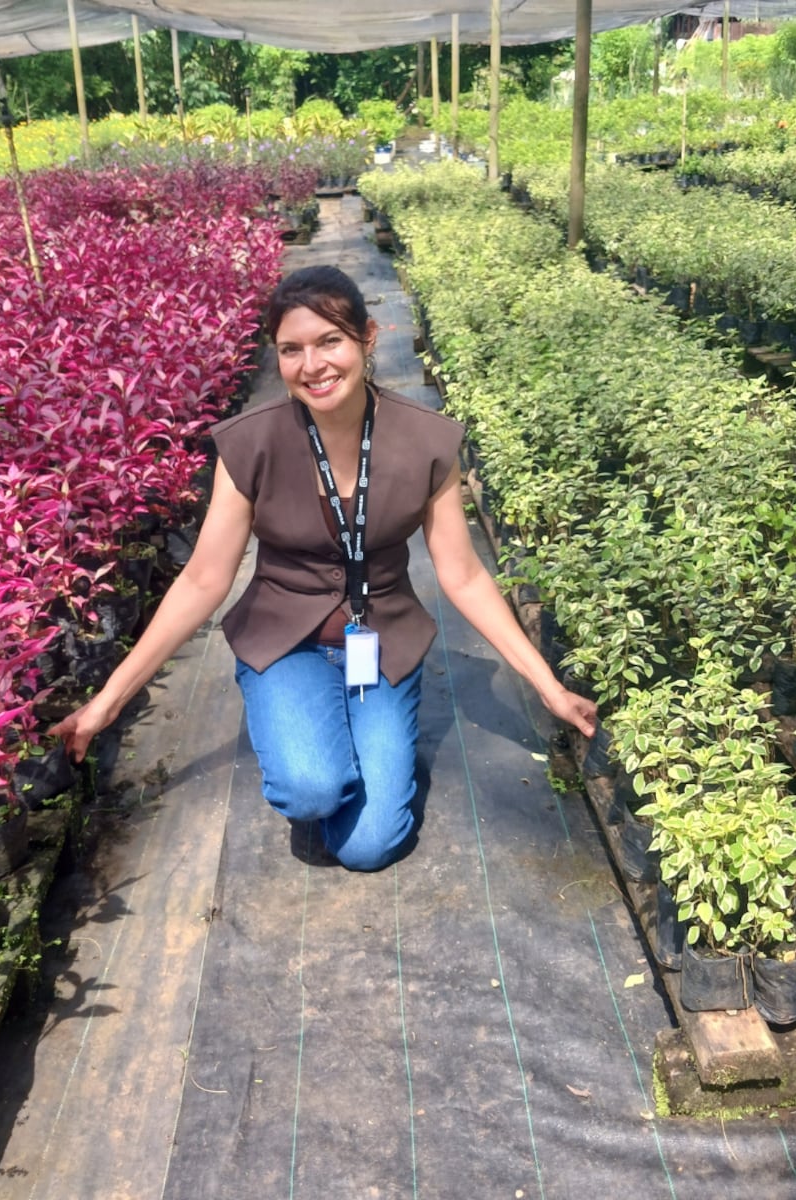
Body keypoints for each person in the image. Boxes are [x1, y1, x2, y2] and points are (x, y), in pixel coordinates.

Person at [52, 265, 596, 871]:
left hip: (381, 642)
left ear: (367, 337)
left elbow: (463, 576)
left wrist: (548, 688)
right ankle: (308, 732)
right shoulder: (251, 445)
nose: (313, 365)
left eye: (329, 341)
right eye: (291, 349)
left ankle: (370, 740)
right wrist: (107, 703)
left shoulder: (427, 441)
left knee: (369, 847)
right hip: (284, 641)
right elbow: (204, 579)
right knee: (310, 789)